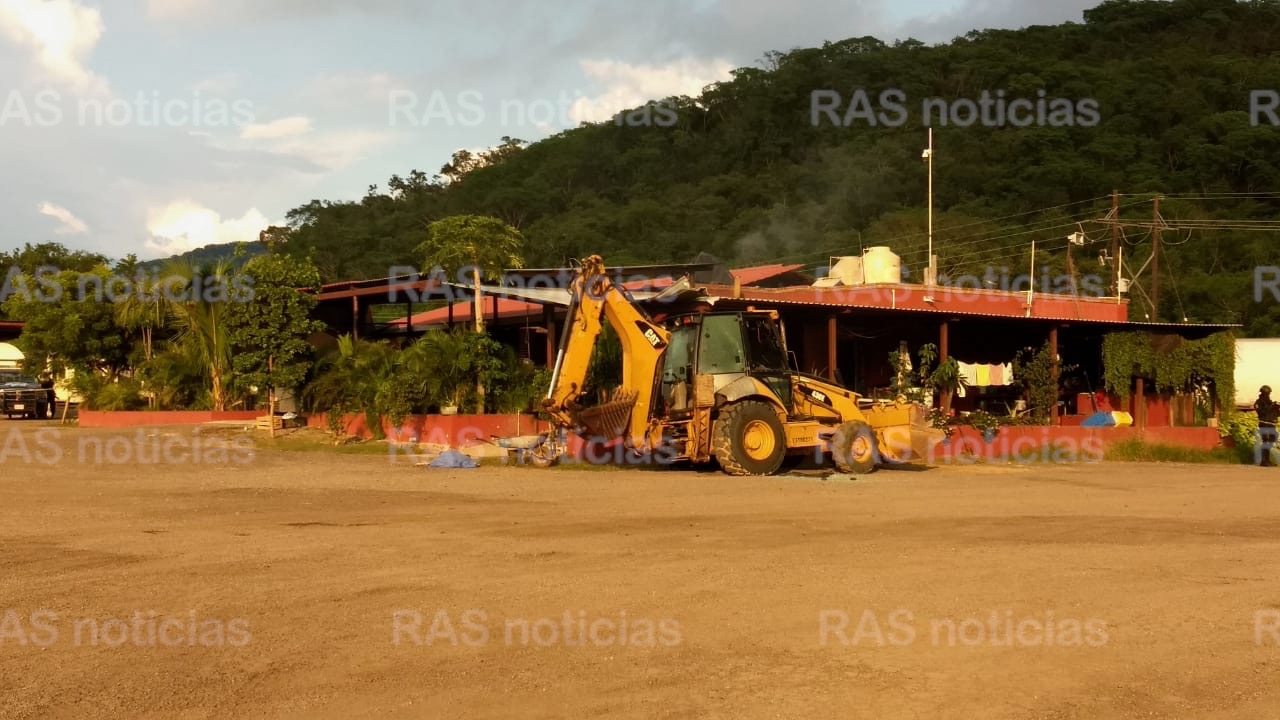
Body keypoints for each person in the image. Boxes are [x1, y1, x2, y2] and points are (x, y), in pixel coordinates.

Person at [1255, 386, 1279, 467]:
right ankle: (1264, 461)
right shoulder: (1258, 402)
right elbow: (1262, 412)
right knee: (1266, 441)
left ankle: (1267, 460)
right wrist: (1272, 406)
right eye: (1267, 393)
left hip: (1271, 424)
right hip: (1264, 423)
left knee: (1271, 441)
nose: (1268, 395)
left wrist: (1277, 408)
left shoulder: (1269, 402)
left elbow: (1276, 414)